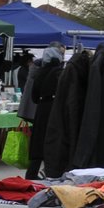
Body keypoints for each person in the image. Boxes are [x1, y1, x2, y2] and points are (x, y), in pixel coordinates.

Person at [22, 42, 65, 181]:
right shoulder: (59, 72)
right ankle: (50, 173)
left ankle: (32, 173)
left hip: (41, 109)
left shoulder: (39, 72)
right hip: (53, 109)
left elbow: (33, 96)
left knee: (38, 142)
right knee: (51, 140)